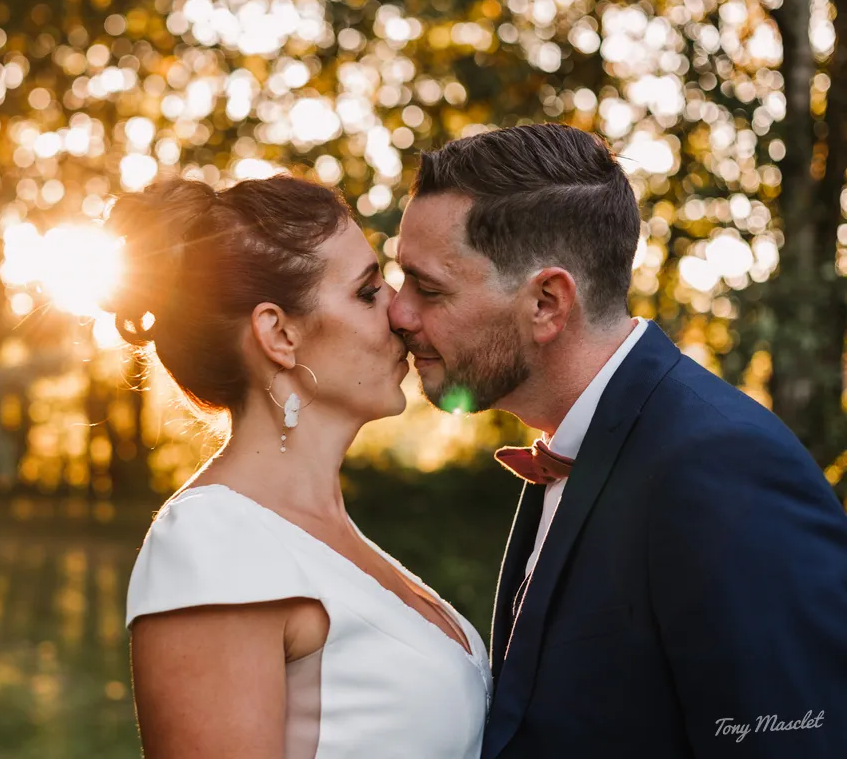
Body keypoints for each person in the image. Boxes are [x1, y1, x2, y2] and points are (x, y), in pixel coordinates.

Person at [388, 122, 847, 759]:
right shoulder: (583, 441)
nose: (399, 312)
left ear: (547, 303)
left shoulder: (721, 466)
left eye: (429, 288)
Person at [108, 175, 491, 758]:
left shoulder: (330, 532)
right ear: (279, 334)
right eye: (368, 292)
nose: (400, 310)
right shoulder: (214, 541)